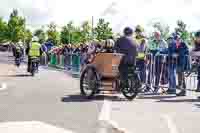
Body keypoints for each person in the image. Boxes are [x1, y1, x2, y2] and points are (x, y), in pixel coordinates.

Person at [190, 31, 200, 95]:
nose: (196, 38)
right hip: (199, 63)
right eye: (196, 37)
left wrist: (195, 53)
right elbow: (191, 52)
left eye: (197, 37)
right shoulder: (196, 43)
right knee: (199, 77)